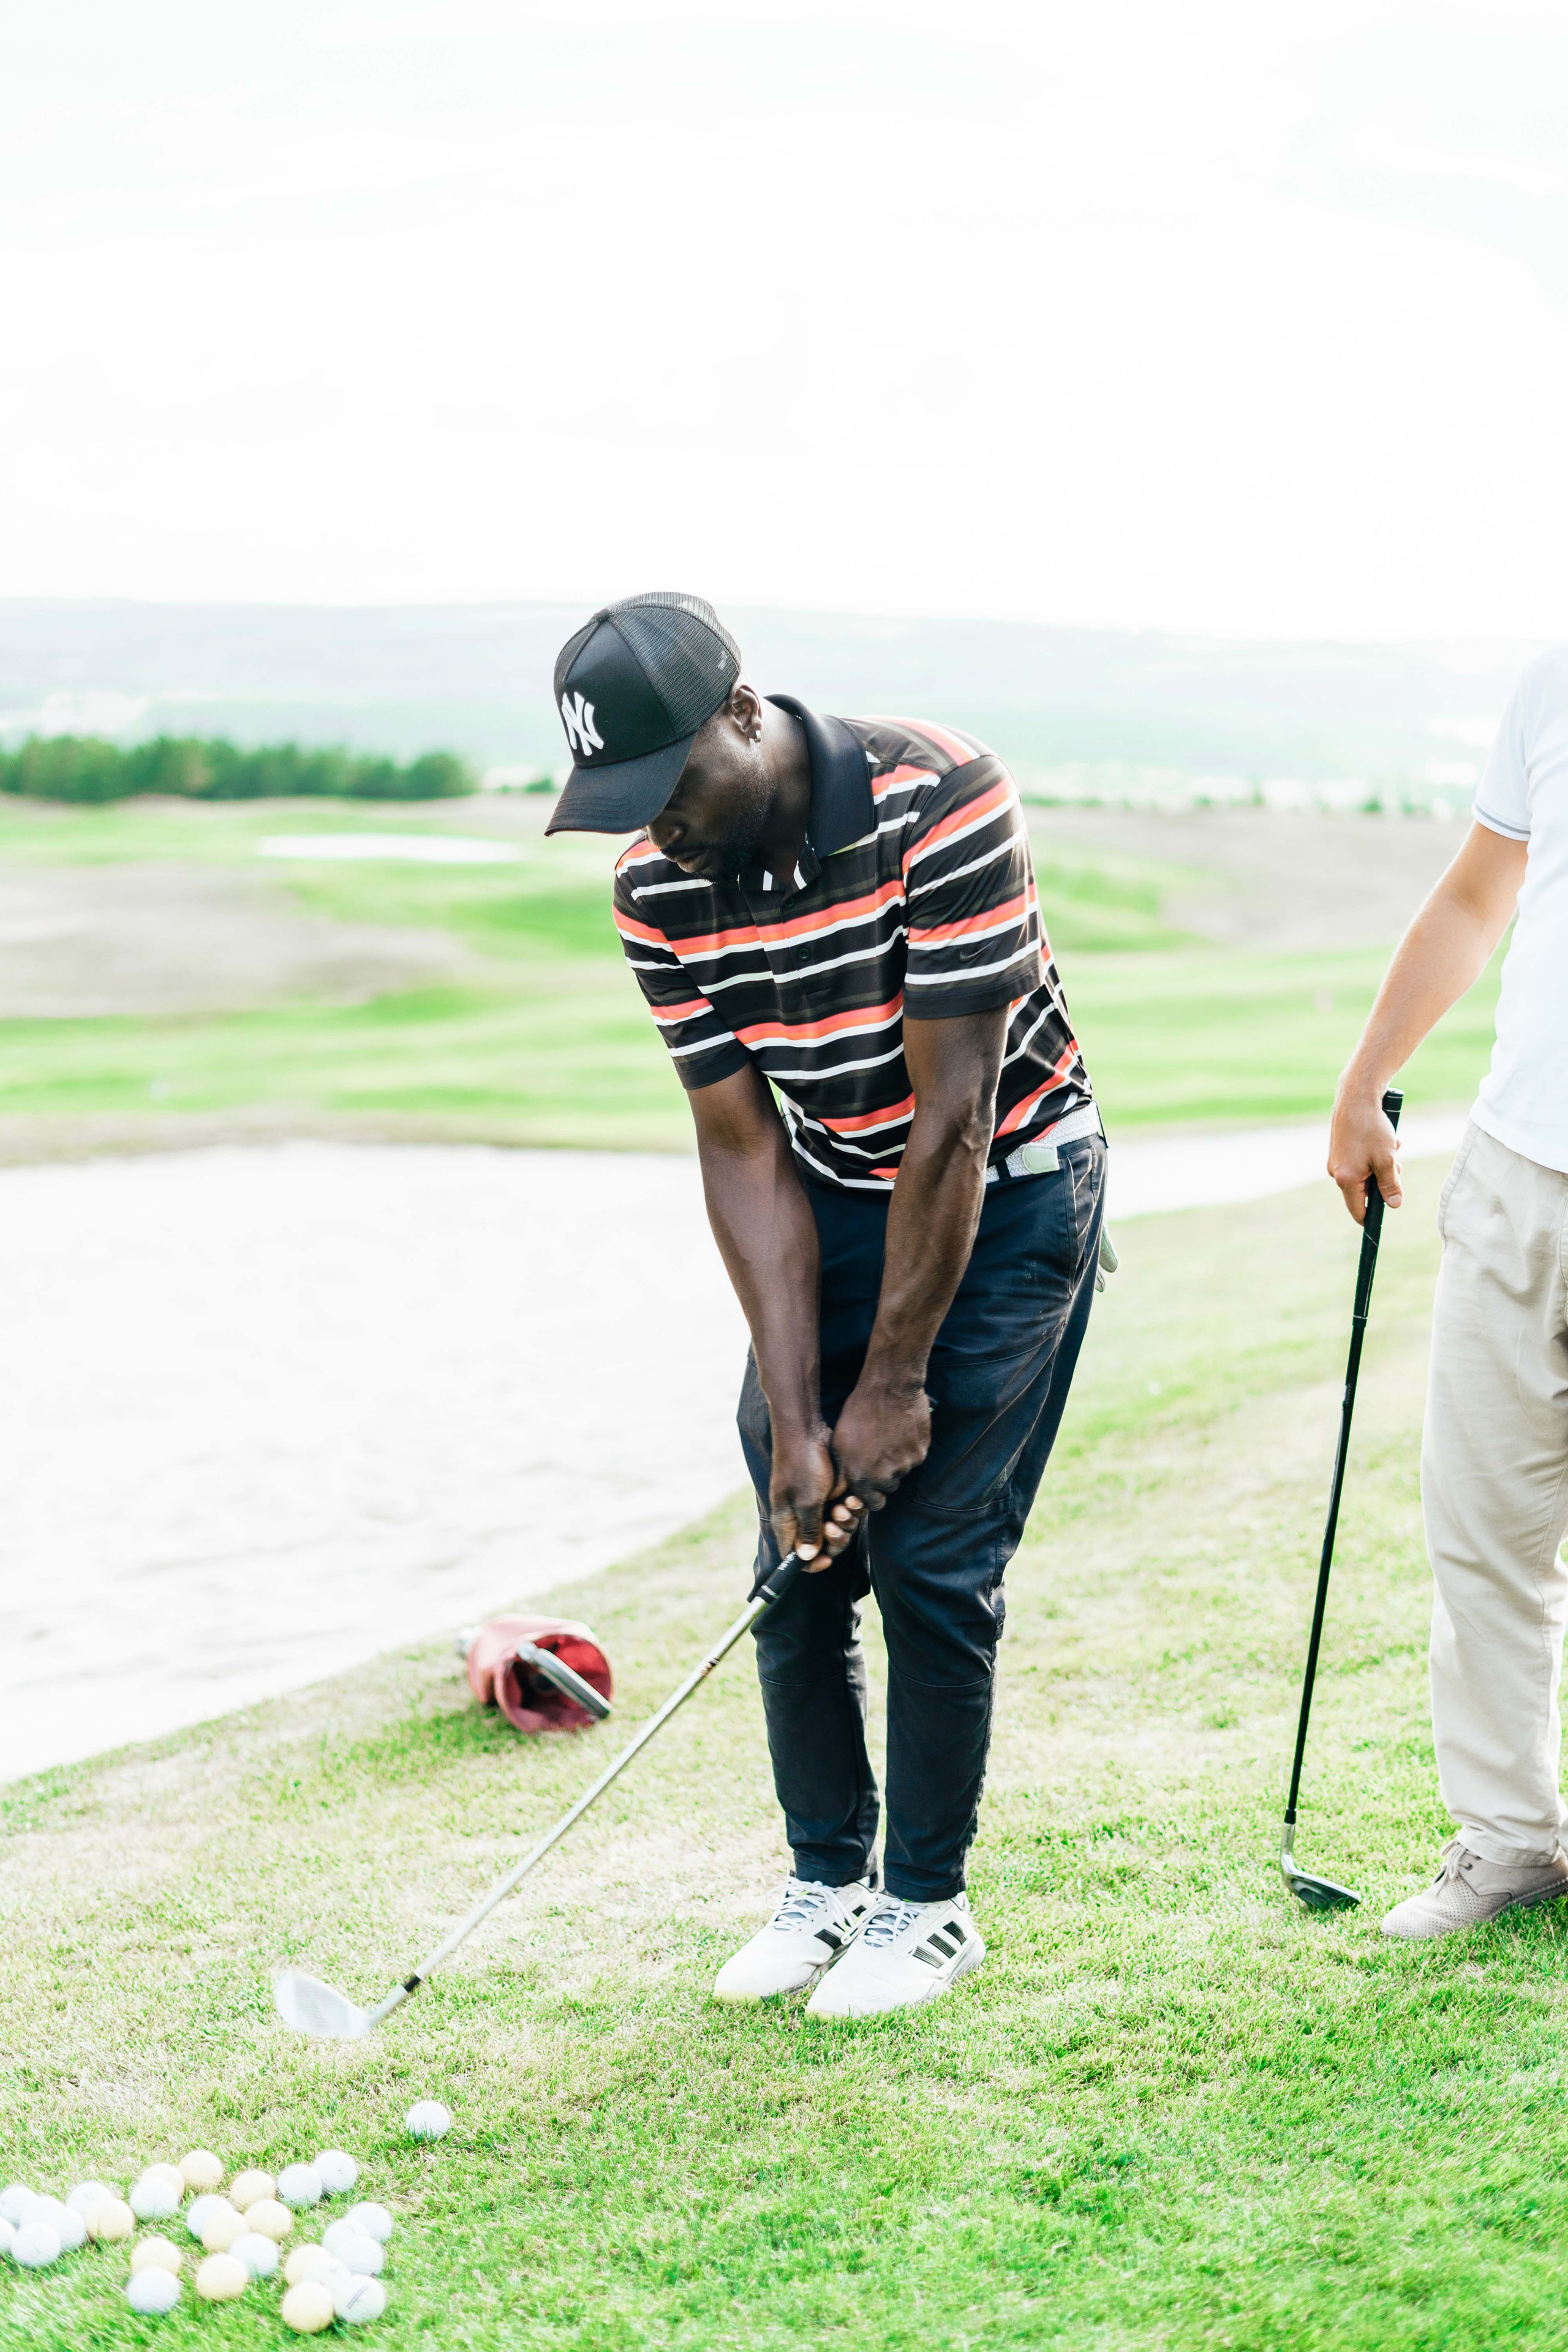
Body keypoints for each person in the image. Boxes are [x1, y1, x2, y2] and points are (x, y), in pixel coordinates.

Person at [546, 592, 1107, 2015]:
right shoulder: (655, 887)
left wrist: (893, 1386)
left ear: (741, 714)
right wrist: (799, 1419)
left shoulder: (939, 794)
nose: (655, 824)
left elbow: (954, 1120)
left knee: (928, 1558)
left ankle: (924, 1906)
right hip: (837, 1186)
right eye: (623, 798)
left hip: (1009, 1180)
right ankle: (826, 1881)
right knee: (794, 1551)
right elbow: (741, 1148)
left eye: (669, 783)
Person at [1329, 647, 1568, 1939]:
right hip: (1518, 1163)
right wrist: (1365, 1077)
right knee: (1480, 1528)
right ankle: (1510, 1841)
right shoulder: (1552, 679)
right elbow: (1480, 896)